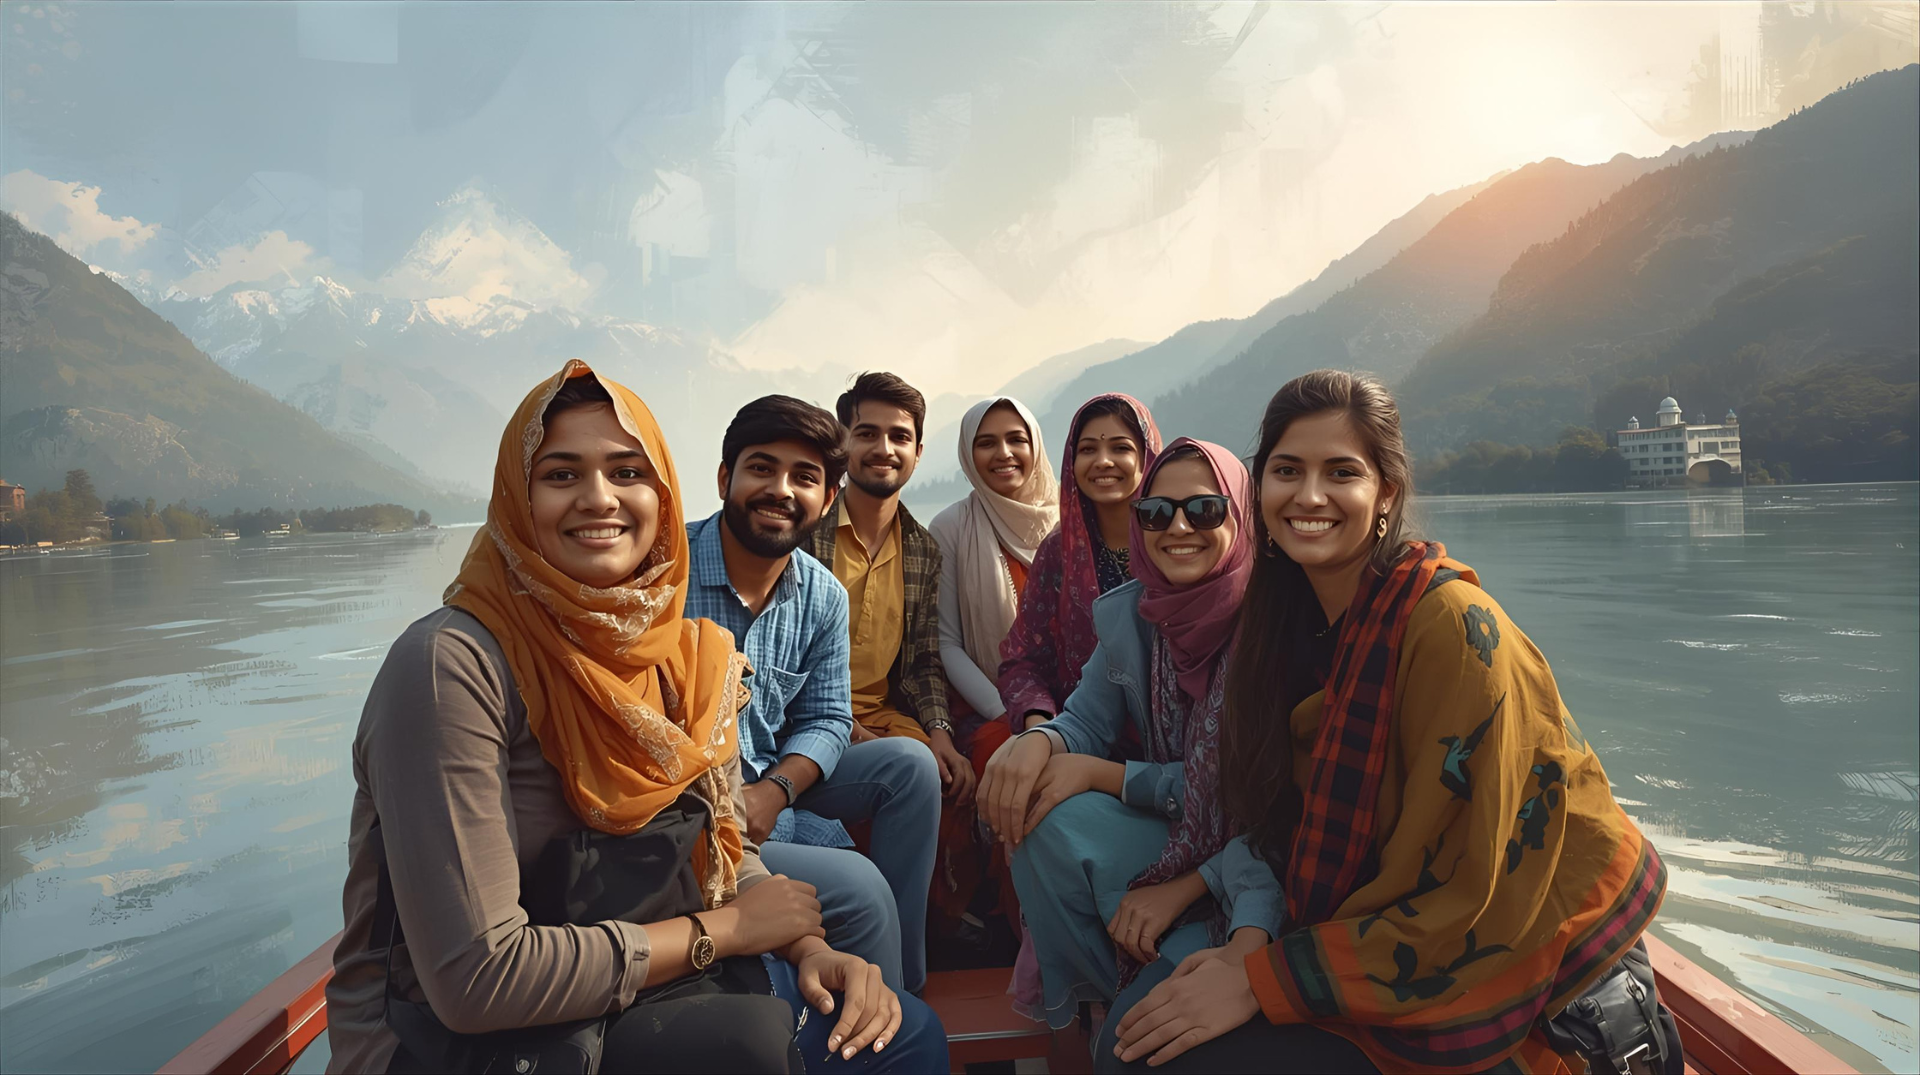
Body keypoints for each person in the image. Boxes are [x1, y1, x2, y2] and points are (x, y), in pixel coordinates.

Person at [326, 361, 945, 1074]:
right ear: (515, 498)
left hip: (639, 984)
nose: (598, 499)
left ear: (660, 494)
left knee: (904, 1032)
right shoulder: (452, 667)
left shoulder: (673, 651)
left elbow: (716, 845)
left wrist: (810, 949)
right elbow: (477, 980)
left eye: (626, 473)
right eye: (561, 475)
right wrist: (725, 933)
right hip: (476, 1044)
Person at [1109, 370, 1667, 1074]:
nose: (1309, 496)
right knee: (1131, 1040)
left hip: (1539, 995)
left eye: (1341, 472)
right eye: (1287, 471)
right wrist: (1251, 944)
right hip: (1374, 950)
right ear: (1261, 493)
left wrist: (1265, 980)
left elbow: (1477, 896)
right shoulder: (1292, 630)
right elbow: (1284, 828)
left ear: (1387, 496)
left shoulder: (1456, 632)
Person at [977, 439, 1285, 1062]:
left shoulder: (1276, 632)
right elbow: (1086, 718)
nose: (1177, 528)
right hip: (1188, 832)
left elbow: (1260, 805)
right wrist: (1040, 741)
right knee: (1037, 811)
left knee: (1124, 1050)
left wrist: (1110, 779)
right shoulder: (1133, 617)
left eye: (1204, 510)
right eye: (1156, 513)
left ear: (1245, 515)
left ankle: (1167, 950)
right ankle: (1119, 976)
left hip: (1266, 871)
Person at [685, 394, 941, 995]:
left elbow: (828, 717)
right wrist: (738, 805)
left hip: (769, 786)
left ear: (827, 499)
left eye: (804, 478)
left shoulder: (821, 595)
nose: (780, 489)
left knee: (912, 765)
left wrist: (776, 791)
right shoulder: (670, 576)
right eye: (761, 468)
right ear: (725, 478)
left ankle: (907, 988)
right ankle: (889, 1022)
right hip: (694, 814)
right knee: (858, 885)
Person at [992, 393, 1162, 1016]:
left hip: (1169, 749)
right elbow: (1022, 658)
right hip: (1078, 733)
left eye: (1122, 447)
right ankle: (1081, 985)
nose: (1104, 462)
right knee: (1024, 801)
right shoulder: (1059, 555)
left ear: (1150, 456)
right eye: (1087, 449)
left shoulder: (1180, 540)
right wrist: (1038, 726)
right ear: (1067, 463)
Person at [802, 372, 967, 971]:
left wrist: (943, 733)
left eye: (900, 436)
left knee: (958, 771)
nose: (884, 448)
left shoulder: (922, 549)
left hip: (884, 717)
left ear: (918, 453)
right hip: (805, 726)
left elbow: (923, 661)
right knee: (913, 766)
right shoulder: (803, 535)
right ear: (842, 442)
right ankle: (896, 974)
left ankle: (928, 944)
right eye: (866, 432)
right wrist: (843, 727)